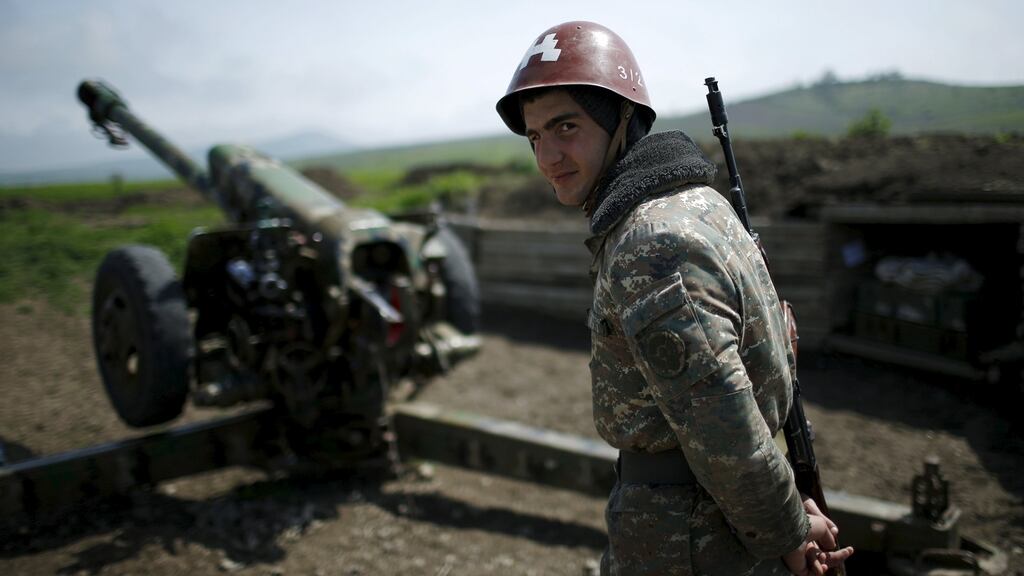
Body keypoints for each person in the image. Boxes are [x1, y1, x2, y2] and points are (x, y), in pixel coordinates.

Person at [495, 21, 854, 575]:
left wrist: (787, 529)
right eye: (536, 136)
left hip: (686, 535)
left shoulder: (649, 242)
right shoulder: (703, 204)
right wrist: (787, 510)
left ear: (621, 120)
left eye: (566, 126)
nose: (547, 157)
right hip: (714, 518)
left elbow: (725, 426)